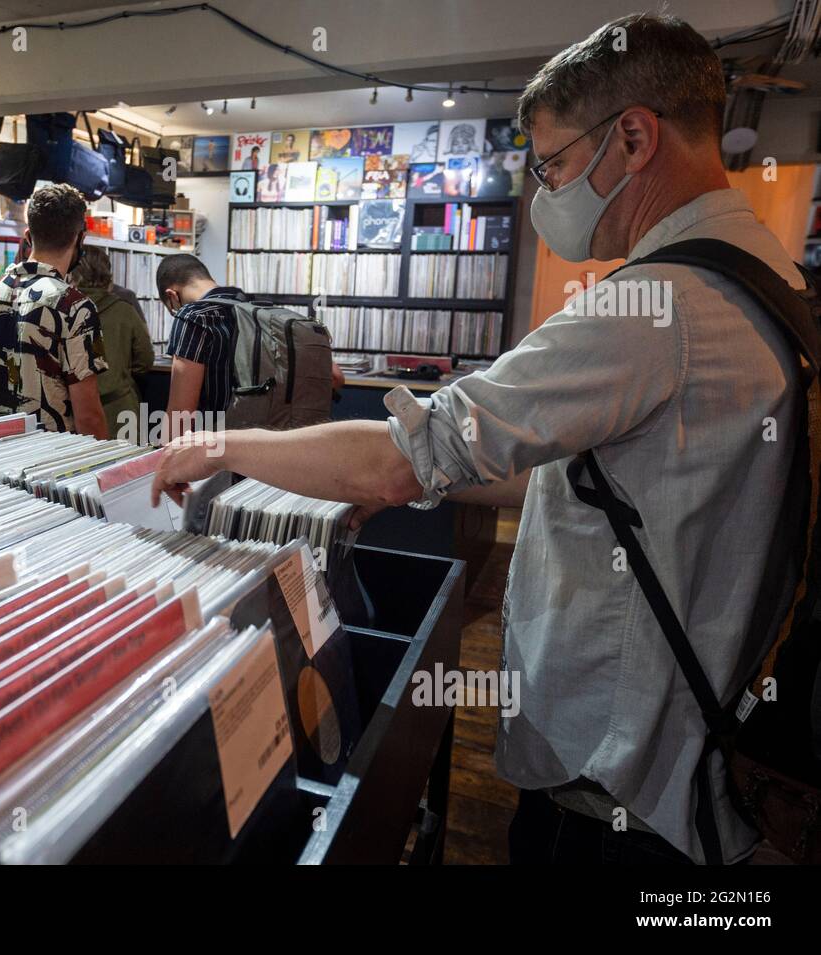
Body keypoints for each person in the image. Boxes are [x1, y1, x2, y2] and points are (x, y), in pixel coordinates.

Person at [152, 13, 806, 865]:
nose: (547, 193)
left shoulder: (656, 309)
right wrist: (388, 479)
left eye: (556, 164)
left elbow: (397, 461)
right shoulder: (765, 272)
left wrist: (218, 449)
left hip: (623, 796)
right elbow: (591, 480)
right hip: (694, 770)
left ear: (635, 137)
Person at [0, 183, 109, 437]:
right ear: (80, 239)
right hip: (53, 462)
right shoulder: (74, 306)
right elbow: (88, 416)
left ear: (27, 236)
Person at [157, 253, 344, 439]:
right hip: (279, 447)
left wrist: (158, 463)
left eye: (172, 309)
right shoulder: (261, 312)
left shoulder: (194, 316)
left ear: (172, 296)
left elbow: (180, 414)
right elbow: (336, 377)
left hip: (220, 452)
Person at [70, 246, 154, 439]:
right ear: (108, 273)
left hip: (76, 411)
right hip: (121, 409)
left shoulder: (63, 310)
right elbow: (145, 359)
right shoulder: (124, 310)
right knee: (130, 467)